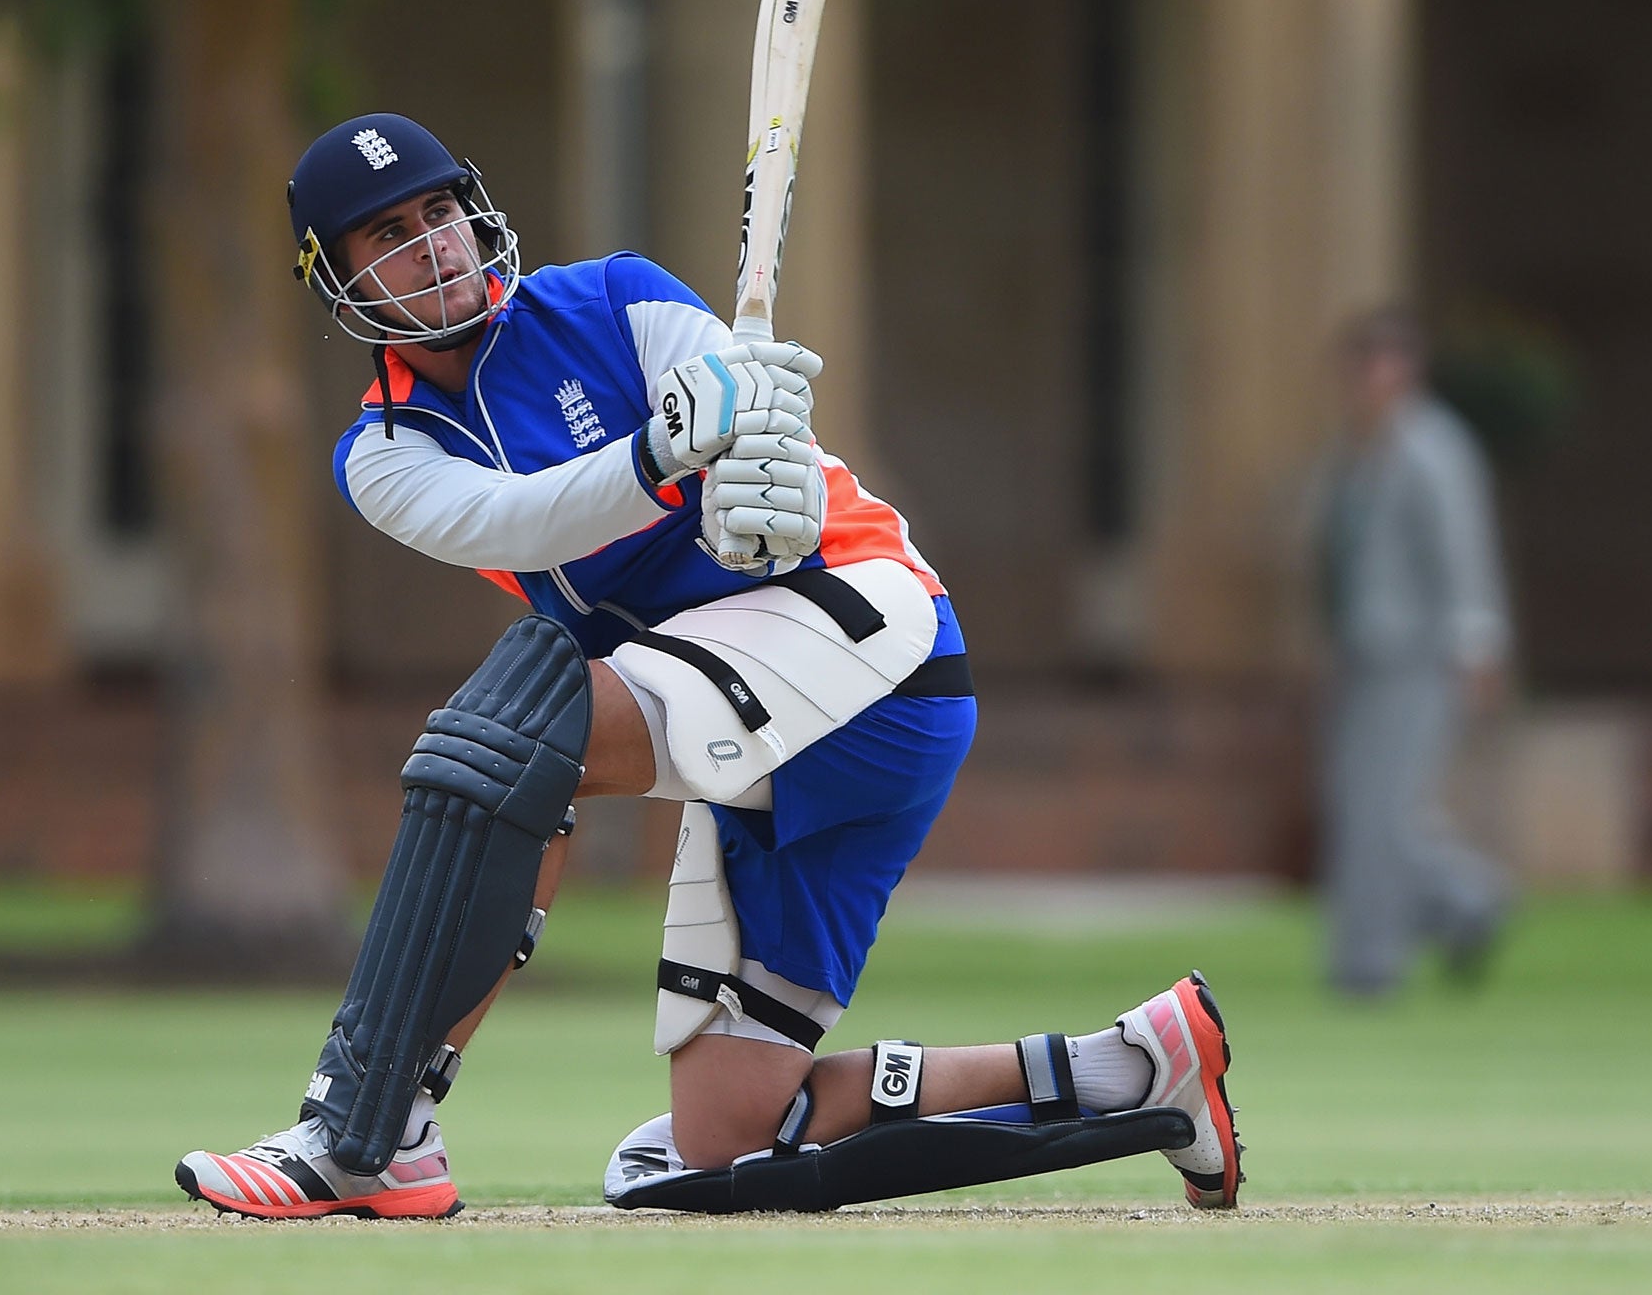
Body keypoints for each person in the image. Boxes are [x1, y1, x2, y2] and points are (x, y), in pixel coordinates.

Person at [172, 113, 1243, 1218]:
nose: (433, 243)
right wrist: (656, 455)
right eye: (388, 234)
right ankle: (1133, 1063)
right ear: (337, 283)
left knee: (516, 731)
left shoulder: (617, 297)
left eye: (439, 211)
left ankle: (371, 1128)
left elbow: (755, 427)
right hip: (751, 728)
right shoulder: (386, 454)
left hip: (869, 641)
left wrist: (758, 454)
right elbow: (516, 522)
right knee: (719, 1141)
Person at [1315, 306, 1514, 997]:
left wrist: (1477, 642)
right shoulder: (1361, 451)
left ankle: (1395, 948)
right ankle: (1452, 911)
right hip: (1368, 654)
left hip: (1420, 658)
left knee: (1387, 811)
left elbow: (1462, 552)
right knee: (1359, 804)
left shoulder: (1436, 448)